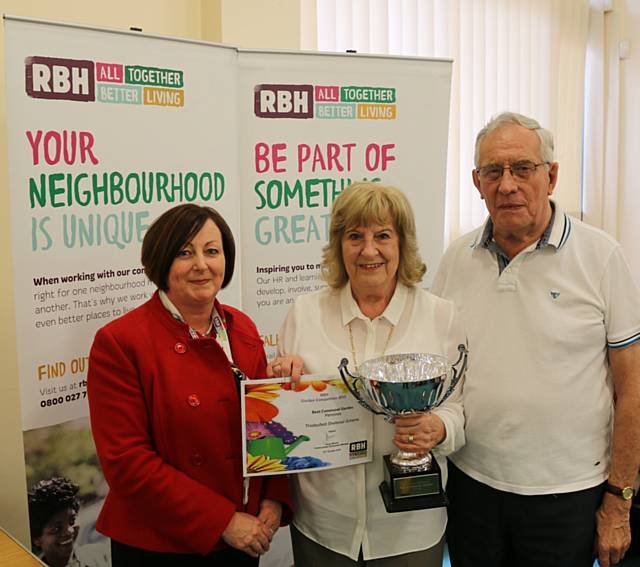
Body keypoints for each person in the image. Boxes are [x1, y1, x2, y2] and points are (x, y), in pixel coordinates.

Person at [431, 111, 640, 567]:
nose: (507, 185)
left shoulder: (601, 257)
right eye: (493, 171)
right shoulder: (455, 260)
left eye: (523, 168)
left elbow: (632, 389)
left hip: (567, 494)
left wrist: (619, 499)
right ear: (476, 181)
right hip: (472, 485)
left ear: (552, 175)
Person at [268, 182, 466, 566]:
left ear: (402, 244)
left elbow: (460, 409)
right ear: (339, 246)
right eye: (354, 236)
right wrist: (280, 384)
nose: (369, 249)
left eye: (382, 236)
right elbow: (280, 421)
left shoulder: (441, 315)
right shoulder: (304, 313)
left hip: (410, 531)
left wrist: (438, 428)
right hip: (324, 527)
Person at [87, 204, 291, 566]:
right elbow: (126, 462)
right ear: (161, 260)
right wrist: (222, 521)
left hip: (243, 537)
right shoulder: (120, 342)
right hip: (159, 544)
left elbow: (265, 424)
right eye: (185, 252)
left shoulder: (241, 328)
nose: (201, 264)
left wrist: (272, 499)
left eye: (212, 251)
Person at [28, 476, 110, 567]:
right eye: (56, 529)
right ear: (36, 539)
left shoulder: (102, 557)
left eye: (72, 521)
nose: (69, 531)